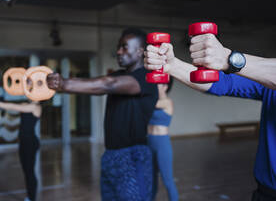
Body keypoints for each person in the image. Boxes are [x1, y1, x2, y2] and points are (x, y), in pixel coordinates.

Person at [144, 32, 276, 201]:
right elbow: (221, 82)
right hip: (265, 192)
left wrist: (228, 58)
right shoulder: (268, 80)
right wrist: (172, 65)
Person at [47, 28, 158, 200]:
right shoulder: (119, 74)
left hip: (133, 156)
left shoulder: (148, 77)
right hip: (110, 156)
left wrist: (63, 84)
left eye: (124, 47)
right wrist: (59, 83)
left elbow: (108, 84)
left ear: (140, 51)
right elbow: (96, 84)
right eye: (118, 47)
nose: (118, 51)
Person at [0, 95, 42, 201]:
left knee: (30, 172)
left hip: (30, 143)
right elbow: (14, 105)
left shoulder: (36, 107)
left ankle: (32, 198)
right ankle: (30, 197)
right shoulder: (27, 105)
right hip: (24, 142)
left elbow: (14, 107)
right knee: (27, 171)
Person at [148, 79, 179, 201]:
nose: (155, 87)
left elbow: (149, 104)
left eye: (158, 84)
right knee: (151, 178)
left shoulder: (167, 102)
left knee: (167, 180)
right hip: (149, 141)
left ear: (165, 86)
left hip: (162, 143)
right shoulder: (151, 101)